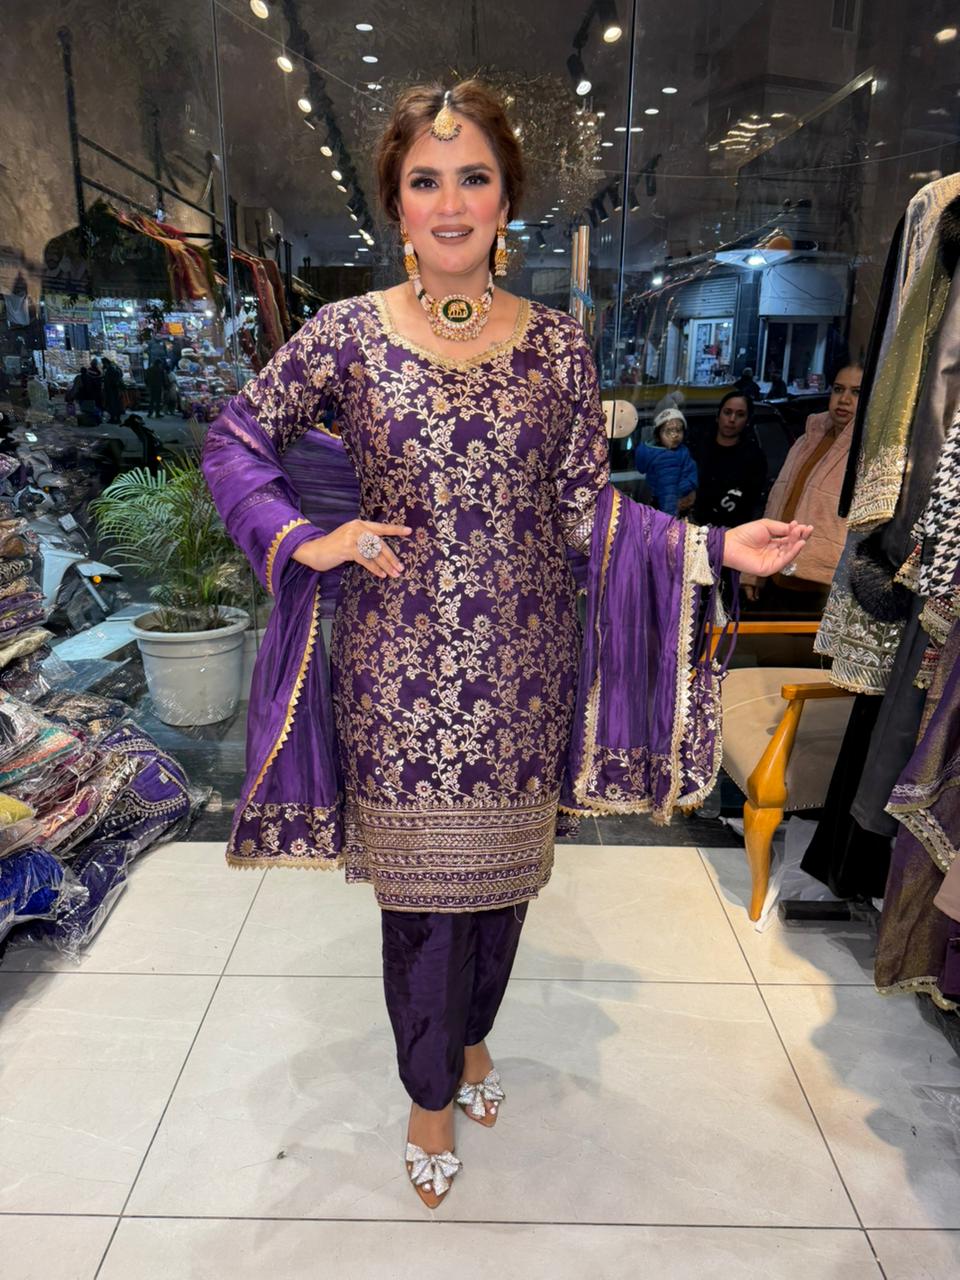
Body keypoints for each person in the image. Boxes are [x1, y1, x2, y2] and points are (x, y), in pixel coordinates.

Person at [201, 80, 808, 1210]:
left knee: (502, 887)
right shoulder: (345, 335)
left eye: (472, 177)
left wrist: (717, 547)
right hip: (395, 671)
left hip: (527, 671)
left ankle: (473, 1033)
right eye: (425, 181)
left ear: (505, 199)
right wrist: (306, 538)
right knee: (424, 900)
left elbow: (586, 511)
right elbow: (234, 439)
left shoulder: (560, 349)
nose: (449, 203)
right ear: (396, 204)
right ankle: (429, 1091)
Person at [742, 363, 862, 611]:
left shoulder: (868, 454)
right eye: (838, 389)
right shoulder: (807, 441)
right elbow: (776, 507)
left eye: (856, 392)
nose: (844, 399)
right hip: (777, 577)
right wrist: (755, 569)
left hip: (823, 591)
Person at [689, 390, 768, 527]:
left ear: (747, 420)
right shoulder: (697, 448)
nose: (732, 419)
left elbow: (751, 503)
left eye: (740, 415)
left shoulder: (753, 458)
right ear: (718, 415)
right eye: (727, 412)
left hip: (733, 531)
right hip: (693, 527)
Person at [633, 405, 698, 516]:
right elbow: (668, 494)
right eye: (668, 431)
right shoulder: (667, 459)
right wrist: (671, 520)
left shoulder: (680, 450)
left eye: (678, 430)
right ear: (658, 435)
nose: (675, 435)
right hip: (671, 507)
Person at [102, 356, 125, 423]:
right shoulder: (111, 369)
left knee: (113, 404)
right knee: (114, 404)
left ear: (106, 363)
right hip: (113, 390)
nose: (103, 365)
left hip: (112, 390)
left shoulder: (111, 370)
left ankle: (115, 418)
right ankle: (115, 418)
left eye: (103, 363)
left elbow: (112, 381)